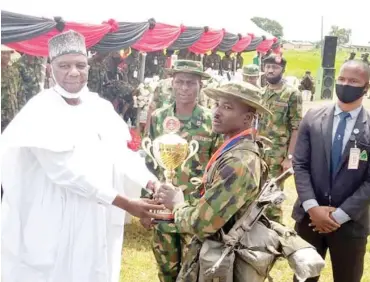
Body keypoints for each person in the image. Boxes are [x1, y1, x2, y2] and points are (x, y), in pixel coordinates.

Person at [1, 30, 166, 282]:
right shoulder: (40, 109)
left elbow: (121, 153)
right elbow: (65, 173)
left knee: (91, 270)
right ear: (50, 68)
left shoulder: (98, 106)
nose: (74, 72)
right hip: (51, 215)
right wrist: (126, 203)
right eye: (64, 65)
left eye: (80, 65)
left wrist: (151, 182)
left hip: (95, 211)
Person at [154, 81, 272, 281]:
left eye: (227, 107)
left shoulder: (239, 162)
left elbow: (202, 223)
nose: (216, 112)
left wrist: (177, 204)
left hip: (225, 263)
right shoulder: (235, 150)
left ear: (247, 118)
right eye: (216, 104)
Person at [142, 60, 221, 282]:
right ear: (172, 85)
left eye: (191, 83)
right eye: (180, 82)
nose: (185, 88)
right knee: (166, 269)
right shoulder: (159, 117)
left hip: (195, 209)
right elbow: (149, 162)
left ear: (200, 86)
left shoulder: (211, 120)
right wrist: (145, 203)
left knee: (193, 270)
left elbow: (217, 166)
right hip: (162, 206)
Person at [292, 60, 370, 282]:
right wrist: (313, 208)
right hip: (309, 220)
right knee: (304, 278)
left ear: (366, 87)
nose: (346, 84)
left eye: (354, 81)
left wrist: (339, 215)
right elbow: (300, 164)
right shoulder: (313, 118)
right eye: (342, 79)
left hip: (350, 224)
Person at [259, 54, 302, 222]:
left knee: (272, 198)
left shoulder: (292, 93)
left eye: (274, 67)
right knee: (256, 195)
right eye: (268, 67)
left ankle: (275, 233)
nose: (270, 70)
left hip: (278, 156)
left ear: (282, 70)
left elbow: (296, 126)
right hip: (259, 151)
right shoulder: (262, 92)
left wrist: (289, 158)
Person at [1, 45, 22, 132]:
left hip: (13, 115)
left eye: (8, 53)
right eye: (3, 53)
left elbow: (20, 92)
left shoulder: (14, 71)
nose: (6, 56)